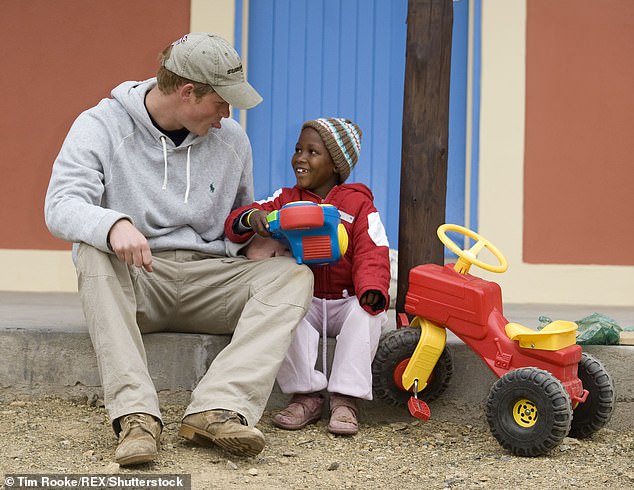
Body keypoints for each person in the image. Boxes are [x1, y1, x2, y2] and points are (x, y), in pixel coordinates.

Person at [44, 32, 313, 466]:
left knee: (293, 276)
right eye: (221, 102)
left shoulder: (233, 141)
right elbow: (60, 205)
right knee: (91, 250)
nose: (227, 115)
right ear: (187, 91)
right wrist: (114, 225)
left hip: (210, 279)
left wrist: (253, 241)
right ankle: (136, 416)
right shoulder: (100, 125)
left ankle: (216, 409)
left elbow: (237, 219)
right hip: (139, 280)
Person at [224, 118, 391, 435]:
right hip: (308, 298)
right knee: (283, 312)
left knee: (367, 316)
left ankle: (345, 399)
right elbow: (235, 221)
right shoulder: (286, 199)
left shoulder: (358, 205)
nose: (300, 158)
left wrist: (371, 288)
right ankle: (305, 396)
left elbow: (374, 250)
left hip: (347, 299)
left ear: (336, 165)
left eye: (312, 152)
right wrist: (252, 217)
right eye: (298, 149)